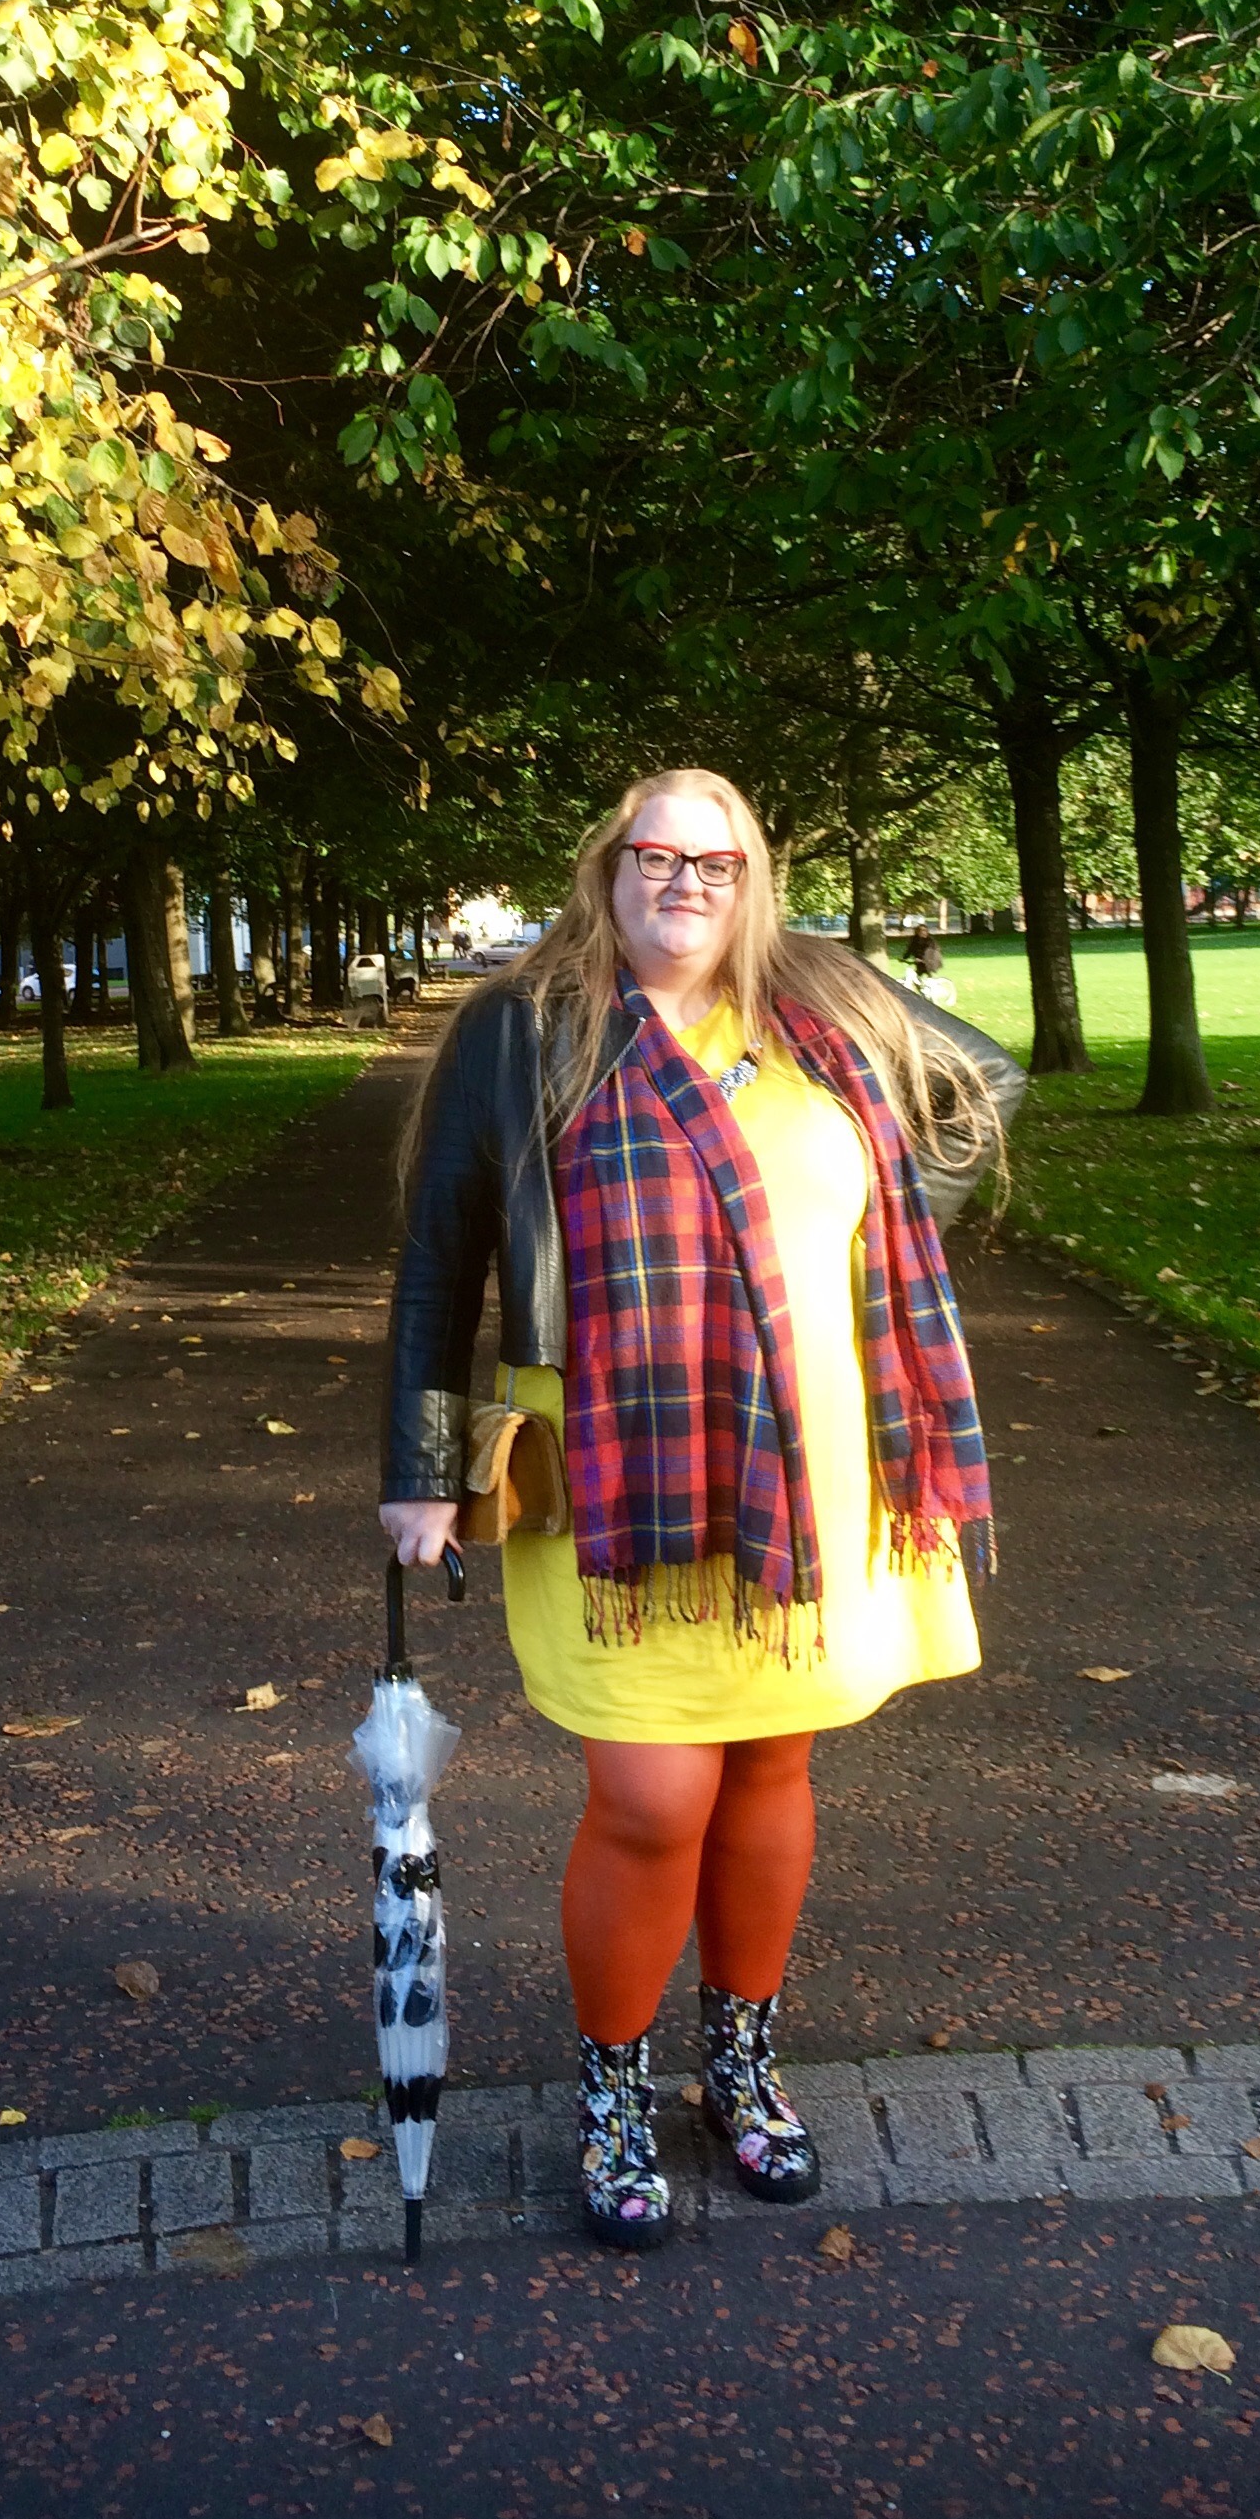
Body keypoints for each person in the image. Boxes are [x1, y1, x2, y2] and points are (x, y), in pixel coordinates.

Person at [380, 768, 1025, 2250]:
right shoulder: (524, 1029)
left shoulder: (827, 1001)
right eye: (655, 855)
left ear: (753, 879)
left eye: (715, 861)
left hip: (811, 1458)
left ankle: (740, 2066)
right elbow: (440, 1258)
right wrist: (419, 1468)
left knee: (773, 1769)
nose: (684, 882)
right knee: (652, 1795)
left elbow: (985, 1088)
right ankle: (615, 2089)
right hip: (613, 1473)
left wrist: (888, 1223)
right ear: (607, 868)